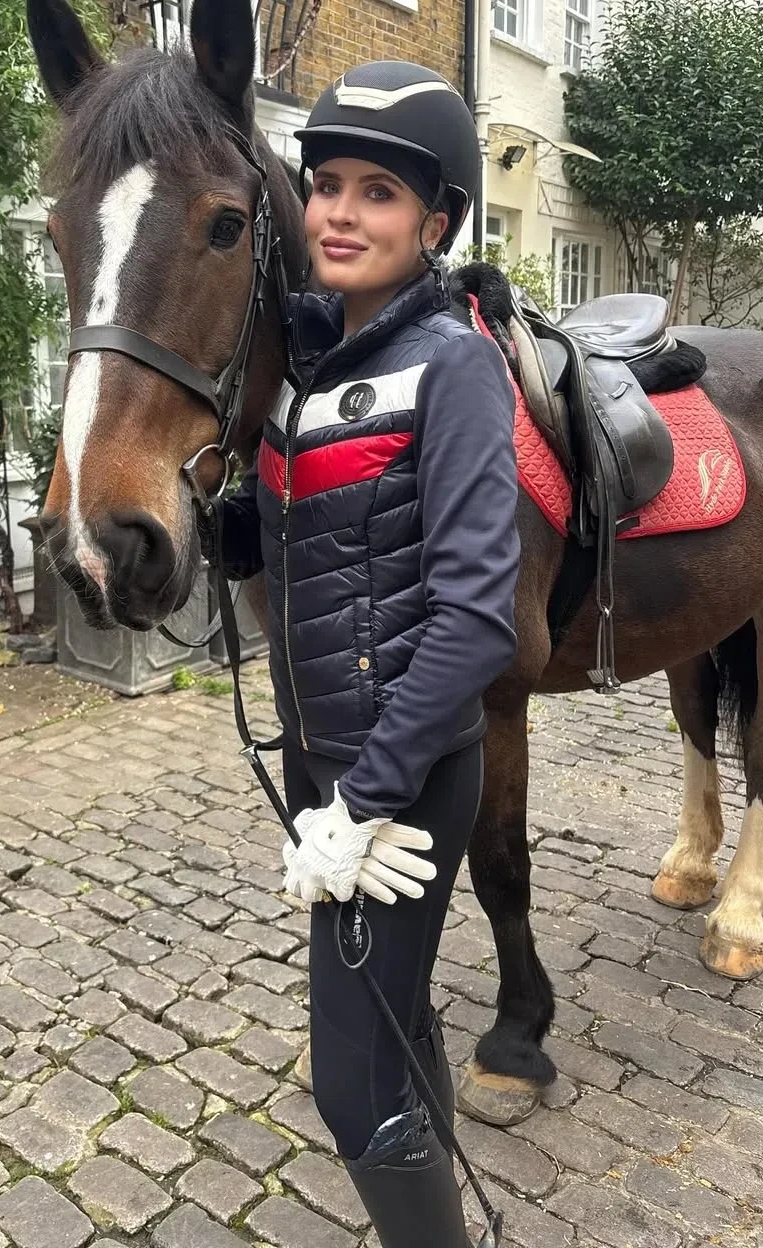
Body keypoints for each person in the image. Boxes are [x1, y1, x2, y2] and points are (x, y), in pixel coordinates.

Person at [218, 61, 520, 1247]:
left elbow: (477, 615)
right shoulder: (308, 361)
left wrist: (365, 803)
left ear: (435, 225)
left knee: (349, 1083)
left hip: (399, 776)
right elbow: (324, 542)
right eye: (327, 184)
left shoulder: (452, 365)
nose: (339, 214)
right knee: (393, 1021)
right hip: (320, 755)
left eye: (379, 193)